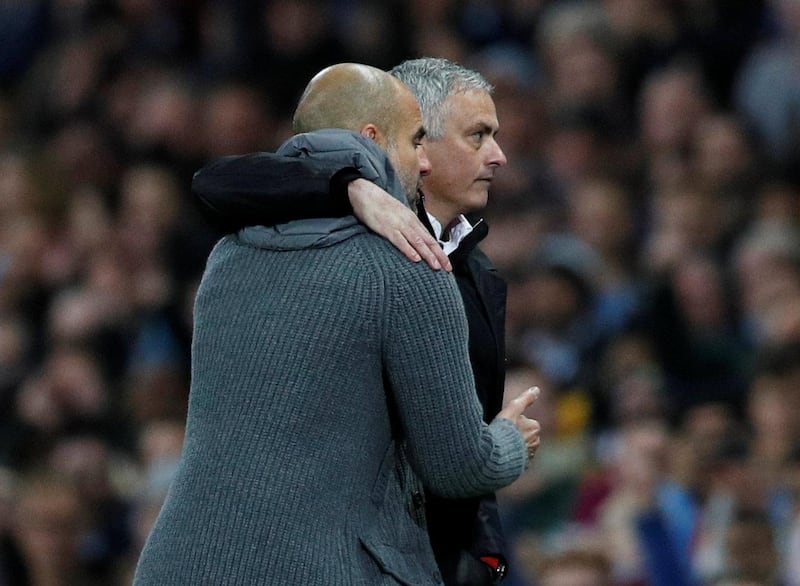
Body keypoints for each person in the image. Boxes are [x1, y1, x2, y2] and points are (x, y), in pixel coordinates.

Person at [133, 62, 540, 586]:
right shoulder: (412, 266)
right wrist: (509, 440)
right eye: (417, 141)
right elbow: (460, 466)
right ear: (373, 138)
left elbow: (221, 181)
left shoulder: (227, 256)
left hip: (176, 564)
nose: (423, 162)